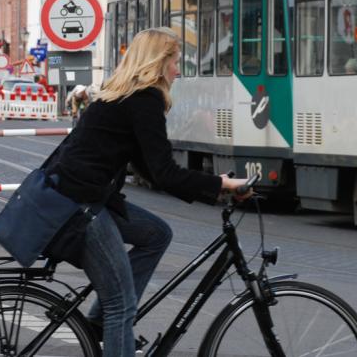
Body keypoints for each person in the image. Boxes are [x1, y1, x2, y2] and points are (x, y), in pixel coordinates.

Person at [37, 28, 251, 356]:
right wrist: (221, 185)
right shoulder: (144, 100)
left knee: (155, 234)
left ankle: (97, 323)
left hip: (74, 197)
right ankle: (109, 321)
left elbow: (153, 171)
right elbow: (165, 172)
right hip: (80, 206)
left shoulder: (124, 97)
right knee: (120, 304)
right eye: (175, 62)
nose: (178, 70)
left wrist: (215, 188)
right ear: (157, 63)